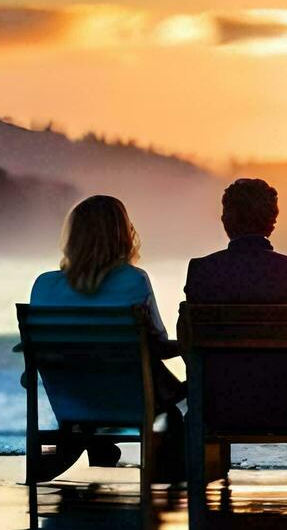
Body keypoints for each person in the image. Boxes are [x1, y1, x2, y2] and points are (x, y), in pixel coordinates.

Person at [28, 195, 185, 477]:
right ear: (123, 235)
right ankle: (171, 480)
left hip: (71, 403)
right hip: (131, 403)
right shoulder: (133, 280)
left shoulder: (44, 285)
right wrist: (189, 346)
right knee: (173, 413)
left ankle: (95, 446)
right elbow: (159, 345)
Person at [182, 178, 287, 405]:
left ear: (225, 221)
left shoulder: (202, 272)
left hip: (219, 405)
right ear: (272, 223)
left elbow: (187, 343)